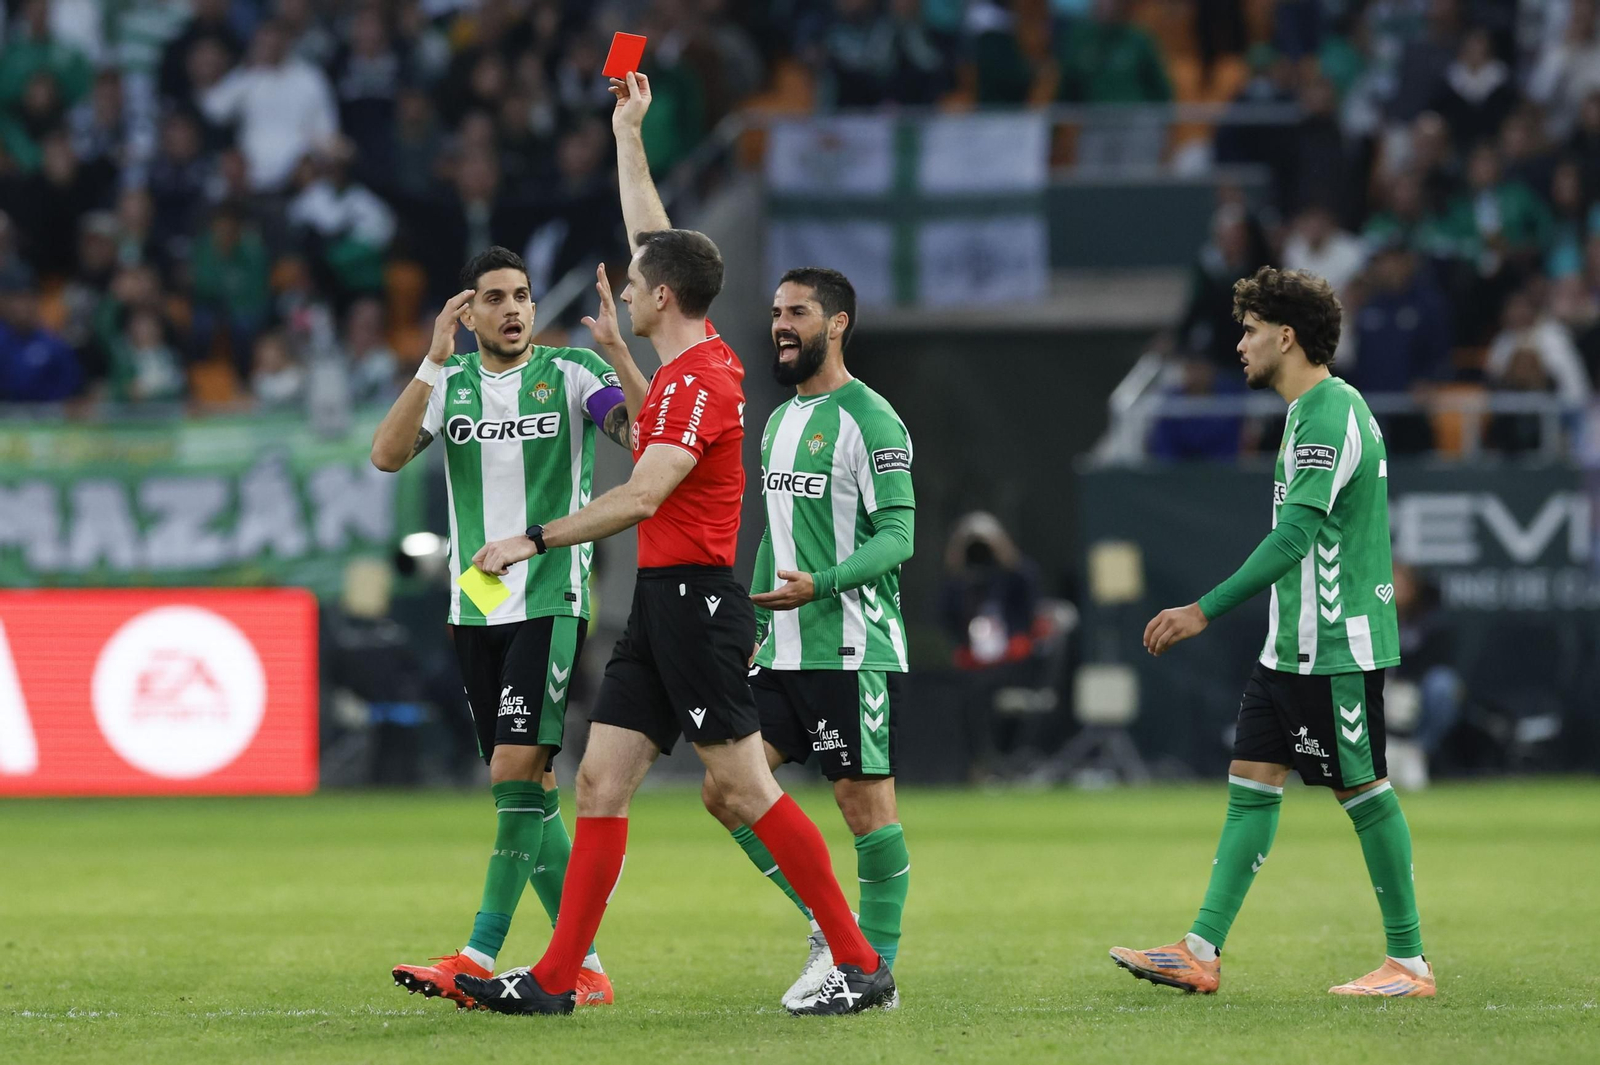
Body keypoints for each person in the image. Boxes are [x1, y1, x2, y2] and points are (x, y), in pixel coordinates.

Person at [456, 71, 894, 1018]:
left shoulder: (699, 382)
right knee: (602, 778)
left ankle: (857, 957)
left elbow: (644, 491)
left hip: (696, 601)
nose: (628, 275)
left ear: (660, 296)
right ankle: (558, 979)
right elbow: (654, 234)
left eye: (639, 275)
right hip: (664, 603)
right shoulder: (694, 358)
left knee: (739, 787)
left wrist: (530, 538)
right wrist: (629, 133)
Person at [1110, 267, 1435, 998]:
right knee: (1251, 784)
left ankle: (1409, 963)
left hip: (1336, 647)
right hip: (1289, 648)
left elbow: (1293, 540)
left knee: (1366, 792)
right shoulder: (1302, 413)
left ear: (1286, 336)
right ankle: (1199, 950)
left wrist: (1202, 609)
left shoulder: (1330, 412)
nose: (1239, 344)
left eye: (1250, 329)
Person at [369, 245, 632, 1011]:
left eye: (521, 295)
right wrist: (428, 363)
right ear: (468, 311)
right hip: (474, 608)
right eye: (496, 297)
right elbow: (386, 456)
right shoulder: (447, 387)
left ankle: (477, 950)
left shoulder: (573, 376)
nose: (515, 308)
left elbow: (643, 439)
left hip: (550, 597)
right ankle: (584, 966)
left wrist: (617, 351)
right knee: (530, 789)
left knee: (513, 769)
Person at [699, 265, 915, 1010]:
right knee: (727, 790)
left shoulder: (873, 419)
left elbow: (899, 537)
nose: (782, 324)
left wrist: (818, 586)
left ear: (839, 323)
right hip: (784, 650)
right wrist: (756, 625)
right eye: (777, 312)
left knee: (866, 813)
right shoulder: (779, 419)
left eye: (799, 312)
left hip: (851, 647)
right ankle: (834, 930)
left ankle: (869, 974)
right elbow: (775, 538)